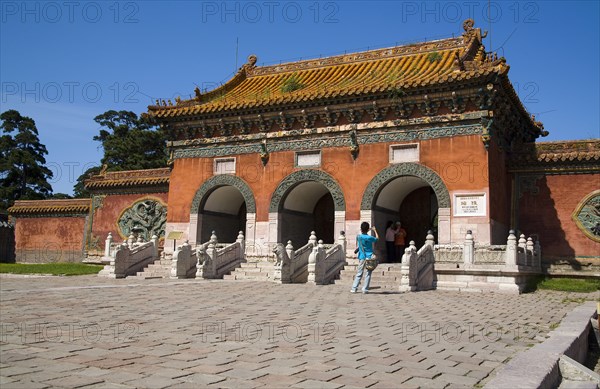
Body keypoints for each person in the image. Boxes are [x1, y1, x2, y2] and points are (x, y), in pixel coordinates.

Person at [351, 222, 379, 294]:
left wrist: (367, 229)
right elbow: (377, 238)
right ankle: (365, 289)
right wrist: (374, 230)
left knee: (359, 273)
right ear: (367, 229)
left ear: (361, 229)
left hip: (361, 256)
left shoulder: (358, 236)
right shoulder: (369, 238)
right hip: (369, 257)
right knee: (368, 273)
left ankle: (354, 288)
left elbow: (363, 232)